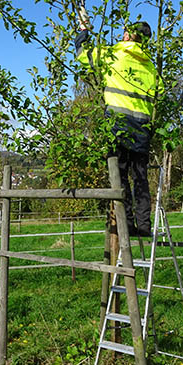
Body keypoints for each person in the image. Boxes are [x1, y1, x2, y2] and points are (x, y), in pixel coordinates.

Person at [75, 17, 159, 237]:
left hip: (118, 123)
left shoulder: (115, 54)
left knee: (119, 175)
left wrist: (83, 31)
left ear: (129, 35)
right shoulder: (150, 65)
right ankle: (144, 226)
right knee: (140, 177)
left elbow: (85, 57)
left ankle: (126, 224)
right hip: (142, 125)